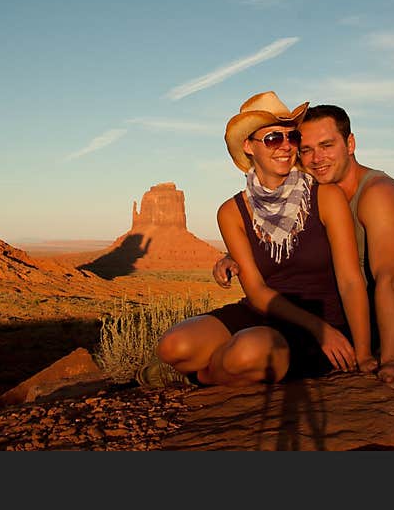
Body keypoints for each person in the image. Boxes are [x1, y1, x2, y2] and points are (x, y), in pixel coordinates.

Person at [140, 92, 376, 388]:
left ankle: (199, 378)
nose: (287, 146)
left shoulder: (325, 197)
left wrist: (361, 351)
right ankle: (225, 364)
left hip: (322, 320)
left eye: (292, 137)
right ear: (248, 146)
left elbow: (351, 279)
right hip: (264, 311)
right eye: (273, 138)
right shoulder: (232, 212)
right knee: (173, 346)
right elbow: (256, 291)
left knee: (249, 352)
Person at [213, 104, 394, 389]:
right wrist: (231, 255)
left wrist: (390, 359)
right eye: (305, 149)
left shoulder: (377, 195)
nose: (317, 158)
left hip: (355, 325)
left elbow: (388, 279)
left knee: (249, 351)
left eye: (327, 145)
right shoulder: (310, 193)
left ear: (350, 143)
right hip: (317, 314)